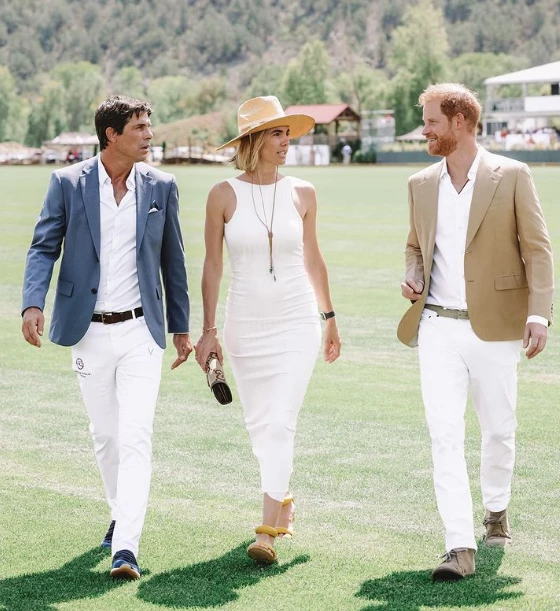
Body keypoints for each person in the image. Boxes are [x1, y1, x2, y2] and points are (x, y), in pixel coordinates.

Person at [21, 95, 192, 580]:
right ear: (111, 135)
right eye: (139, 127)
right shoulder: (67, 183)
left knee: (136, 435)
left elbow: (173, 261)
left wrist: (181, 328)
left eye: (149, 125)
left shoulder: (162, 186)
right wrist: (33, 302)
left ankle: (126, 548)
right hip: (88, 330)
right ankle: (120, 511)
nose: (149, 134)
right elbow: (43, 247)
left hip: (142, 330)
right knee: (106, 435)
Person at [397, 83, 554, 582]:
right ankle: (458, 545)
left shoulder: (513, 174)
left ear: (460, 121)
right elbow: (415, 246)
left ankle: (497, 512)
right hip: (436, 326)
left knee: (498, 429)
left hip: (498, 328)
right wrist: (413, 273)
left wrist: (538, 314)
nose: (424, 130)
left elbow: (538, 249)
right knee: (444, 435)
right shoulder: (420, 183)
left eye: (431, 121)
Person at [195, 95, 341, 564]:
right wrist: (208, 330)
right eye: (277, 133)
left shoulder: (303, 192)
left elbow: (314, 258)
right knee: (260, 426)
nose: (286, 141)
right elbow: (212, 266)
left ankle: (267, 532)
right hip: (244, 324)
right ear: (254, 140)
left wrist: (329, 318)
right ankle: (284, 500)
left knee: (280, 422)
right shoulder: (222, 194)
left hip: (297, 320)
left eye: (287, 133)